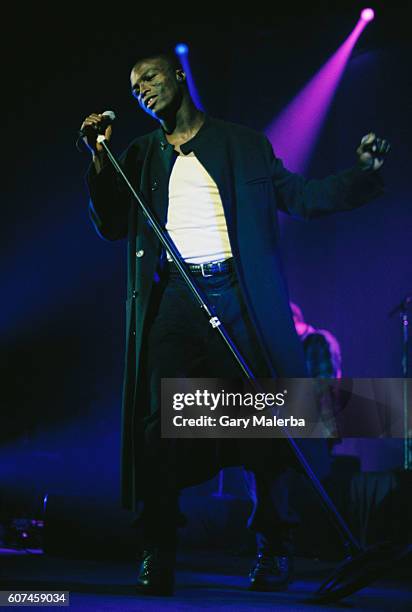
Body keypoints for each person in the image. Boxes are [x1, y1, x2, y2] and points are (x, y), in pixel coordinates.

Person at [80, 50, 389, 596]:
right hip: (174, 296)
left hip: (236, 292)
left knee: (262, 422)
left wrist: (363, 176)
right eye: (133, 88)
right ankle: (158, 548)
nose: (142, 90)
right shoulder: (140, 154)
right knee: (159, 423)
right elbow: (110, 222)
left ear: (177, 75)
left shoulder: (243, 144)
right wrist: (99, 156)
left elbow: (303, 197)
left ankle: (273, 546)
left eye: (149, 78)